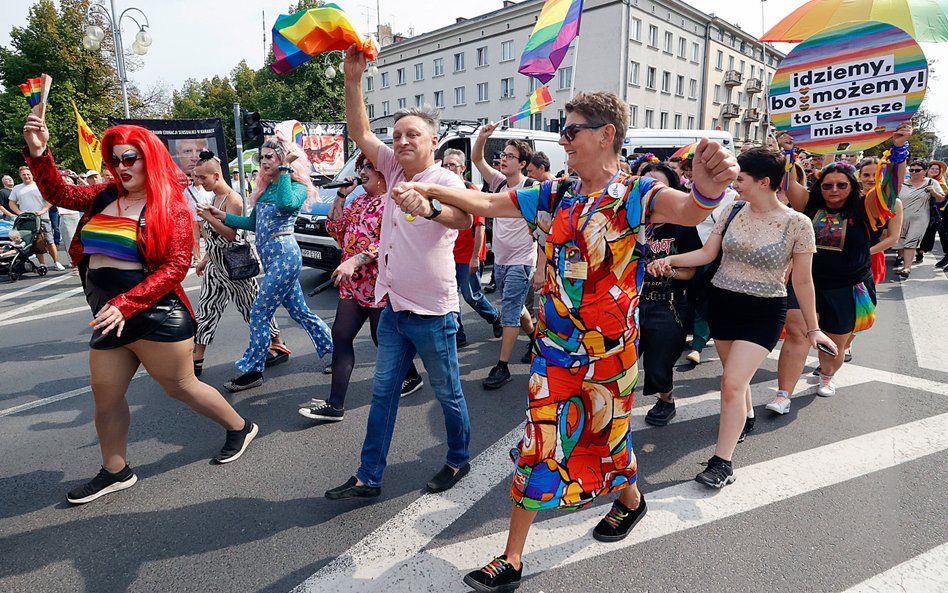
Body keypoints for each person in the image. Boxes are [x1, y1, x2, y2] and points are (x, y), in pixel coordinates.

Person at [394, 91, 739, 591]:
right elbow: (487, 202)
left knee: (607, 439)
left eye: (572, 129)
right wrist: (430, 199)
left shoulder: (637, 195)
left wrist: (706, 192)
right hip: (554, 352)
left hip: (612, 355)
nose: (563, 138)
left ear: (607, 135)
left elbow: (688, 211)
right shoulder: (553, 194)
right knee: (540, 443)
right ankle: (512, 559)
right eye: (564, 128)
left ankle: (631, 501)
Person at [22, 113, 259, 505]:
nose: (121, 166)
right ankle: (115, 470)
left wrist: (127, 303)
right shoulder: (103, 195)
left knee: (181, 387)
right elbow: (60, 193)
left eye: (129, 157)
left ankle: (240, 426)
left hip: (155, 313)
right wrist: (39, 151)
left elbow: (175, 268)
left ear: (148, 157)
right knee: (105, 394)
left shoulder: (172, 208)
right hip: (110, 314)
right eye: (115, 159)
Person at [323, 43, 474, 502]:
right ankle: (368, 476)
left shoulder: (447, 181)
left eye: (413, 135)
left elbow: (464, 219)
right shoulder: (389, 168)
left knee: (448, 393)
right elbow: (361, 130)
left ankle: (458, 459)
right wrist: (353, 81)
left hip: (433, 311)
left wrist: (428, 208)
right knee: (383, 394)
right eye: (398, 134)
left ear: (433, 142)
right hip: (393, 308)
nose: (402, 141)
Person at [650, 147, 832, 488]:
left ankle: (722, 464)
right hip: (723, 303)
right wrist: (669, 261)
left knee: (732, 383)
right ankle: (745, 417)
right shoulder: (732, 210)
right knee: (736, 380)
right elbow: (708, 253)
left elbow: (803, 280)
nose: (735, 187)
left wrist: (814, 329)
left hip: (763, 310)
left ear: (765, 182)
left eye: (741, 180)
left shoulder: (798, 223)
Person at [773, 128, 909, 409]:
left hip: (846, 287)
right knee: (797, 333)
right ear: (819, 187)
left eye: (841, 185)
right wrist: (786, 150)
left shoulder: (867, 208)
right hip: (804, 283)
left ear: (852, 186)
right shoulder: (808, 204)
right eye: (827, 185)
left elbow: (891, 187)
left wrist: (899, 149)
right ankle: (783, 394)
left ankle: (826, 376)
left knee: (836, 341)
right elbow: (788, 184)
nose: (834, 190)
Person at [199, 138, 333, 392]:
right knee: (299, 311)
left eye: (270, 156)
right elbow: (251, 224)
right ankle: (336, 352)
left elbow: (288, 204)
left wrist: (285, 171)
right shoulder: (262, 190)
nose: (264, 162)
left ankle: (252, 369)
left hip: (285, 256)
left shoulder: (296, 185)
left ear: (284, 159)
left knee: (259, 312)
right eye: (262, 157)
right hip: (272, 261)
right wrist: (221, 215)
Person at [299, 154, 424, 423]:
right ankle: (335, 406)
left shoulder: (395, 202)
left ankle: (411, 377)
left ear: (383, 174)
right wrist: (341, 197)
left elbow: (390, 244)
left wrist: (356, 260)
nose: (362, 172)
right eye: (361, 168)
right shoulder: (359, 201)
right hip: (353, 285)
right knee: (341, 335)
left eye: (369, 167)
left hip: (380, 285)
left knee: (383, 340)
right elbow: (335, 229)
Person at [191, 151, 288, 377]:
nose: (198, 182)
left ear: (216, 175)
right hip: (216, 266)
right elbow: (214, 238)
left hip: (236, 266)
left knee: (253, 309)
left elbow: (229, 235)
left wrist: (209, 218)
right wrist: (205, 259)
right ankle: (197, 356)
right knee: (206, 309)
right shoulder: (213, 198)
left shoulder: (232, 199)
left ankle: (278, 344)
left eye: (202, 178)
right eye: (196, 177)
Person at [470, 122, 537, 389]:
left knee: (509, 310)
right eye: (503, 155)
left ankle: (502, 367)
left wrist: (541, 267)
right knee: (517, 307)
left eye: (510, 156)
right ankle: (535, 339)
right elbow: (476, 159)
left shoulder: (531, 188)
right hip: (501, 260)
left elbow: (543, 229)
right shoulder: (498, 183)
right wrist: (482, 137)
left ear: (522, 163)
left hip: (522, 261)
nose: (503, 160)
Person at [638, 163, 702, 427]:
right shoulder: (629, 223)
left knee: (658, 363)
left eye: (657, 186)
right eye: (644, 184)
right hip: (627, 303)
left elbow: (690, 271)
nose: (649, 192)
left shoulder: (681, 226)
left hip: (668, 305)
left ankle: (666, 399)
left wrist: (668, 270)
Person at [442, 148, 502, 347]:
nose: (448, 168)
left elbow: (480, 227)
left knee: (471, 296)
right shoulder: (442, 191)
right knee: (451, 297)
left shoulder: (471, 191)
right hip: (448, 255)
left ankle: (495, 317)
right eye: (445, 164)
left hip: (468, 255)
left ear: (463, 168)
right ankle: (458, 336)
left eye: (452, 164)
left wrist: (476, 257)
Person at [8, 165, 64, 270]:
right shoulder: (17, 188)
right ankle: (42, 263)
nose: (26, 176)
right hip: (27, 219)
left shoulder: (40, 186)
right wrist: (19, 212)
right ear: (20, 176)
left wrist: (43, 209)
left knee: (49, 240)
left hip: (42, 217)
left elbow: (50, 199)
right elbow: (11, 203)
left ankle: (56, 261)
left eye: (28, 174)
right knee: (35, 242)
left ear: (32, 175)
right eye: (24, 175)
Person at [895, 159, 944, 278]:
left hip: (920, 218)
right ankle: (901, 259)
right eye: (911, 170)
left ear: (925, 171)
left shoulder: (931, 183)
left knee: (911, 242)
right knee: (901, 241)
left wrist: (934, 193)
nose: (914, 172)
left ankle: (907, 268)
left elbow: (941, 199)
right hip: (901, 217)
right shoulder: (903, 183)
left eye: (917, 170)